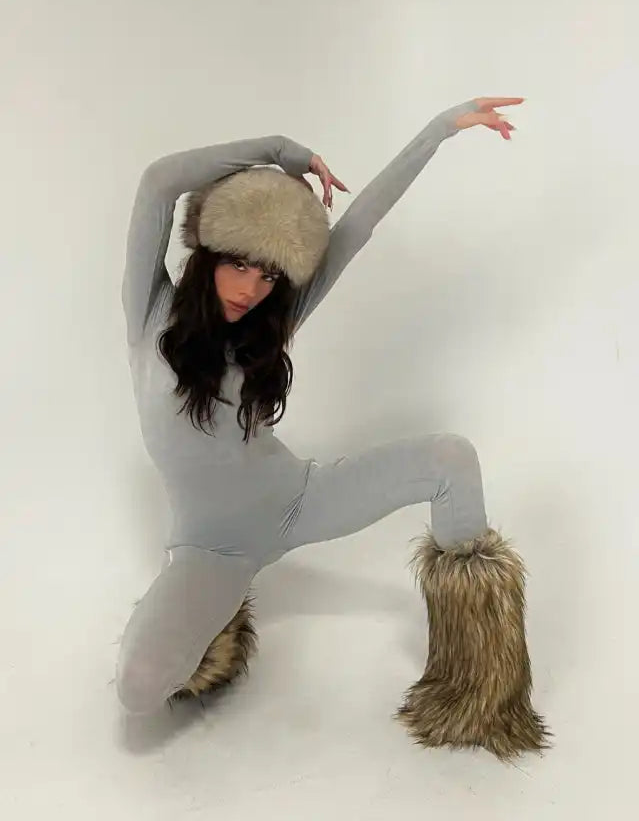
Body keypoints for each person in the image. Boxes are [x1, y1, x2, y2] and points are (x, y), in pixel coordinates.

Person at [117, 95, 550, 761]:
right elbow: (157, 181)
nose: (252, 288)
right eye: (238, 262)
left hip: (299, 501)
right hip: (211, 549)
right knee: (140, 688)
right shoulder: (152, 314)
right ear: (207, 254)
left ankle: (477, 681)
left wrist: (439, 129)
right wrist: (277, 150)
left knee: (449, 457)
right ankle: (214, 622)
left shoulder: (271, 325)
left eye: (268, 274)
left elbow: (358, 225)